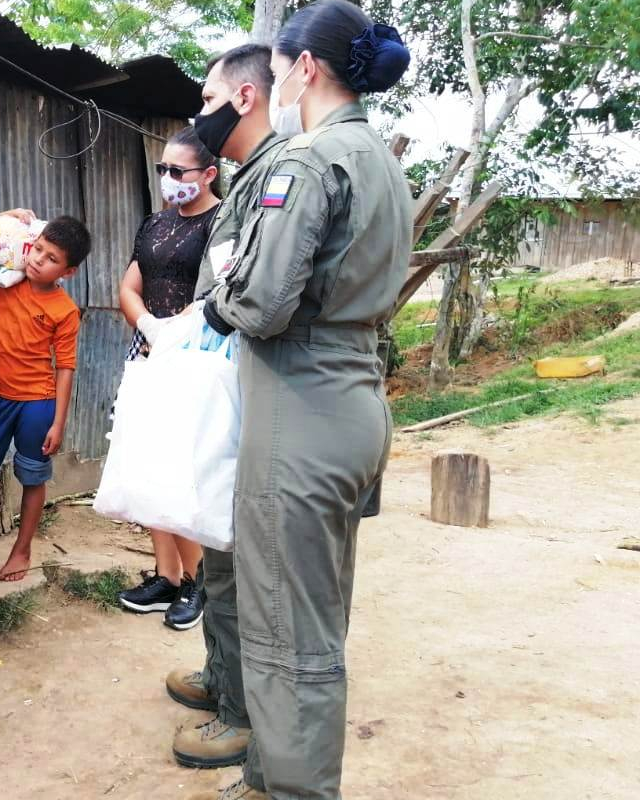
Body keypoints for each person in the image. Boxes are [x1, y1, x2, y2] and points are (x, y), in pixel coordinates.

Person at [196, 4, 414, 798]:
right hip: (352, 396)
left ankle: (291, 790)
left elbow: (260, 304)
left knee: (289, 628)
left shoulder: (310, 159)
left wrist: (218, 299)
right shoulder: (381, 159)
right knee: (309, 612)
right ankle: (268, 776)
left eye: (282, 66)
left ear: (305, 69)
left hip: (300, 401)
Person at [166, 43, 287, 777]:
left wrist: (208, 317)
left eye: (208, 98)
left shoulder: (283, 173)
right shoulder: (252, 176)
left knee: (241, 567)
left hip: (258, 394)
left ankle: (241, 715)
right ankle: (221, 676)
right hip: (226, 387)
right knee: (217, 549)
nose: (198, 114)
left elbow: (256, 295)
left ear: (243, 98)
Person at [116, 125, 221, 631]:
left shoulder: (223, 224)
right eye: (162, 169)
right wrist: (147, 325)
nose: (167, 178)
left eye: (177, 171)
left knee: (183, 470)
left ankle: (200, 579)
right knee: (148, 464)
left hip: (197, 357)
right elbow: (129, 285)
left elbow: (223, 295)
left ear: (209, 175)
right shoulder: (154, 224)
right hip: (147, 353)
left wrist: (175, 332)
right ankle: (167, 577)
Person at [0, 211, 91, 582]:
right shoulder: (5, 275)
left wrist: (59, 422)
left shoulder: (64, 311)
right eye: (38, 250)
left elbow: (65, 367)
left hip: (37, 403)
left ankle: (22, 549)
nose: (37, 261)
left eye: (51, 260)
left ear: (68, 271)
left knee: (32, 476)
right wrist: (0, 218)